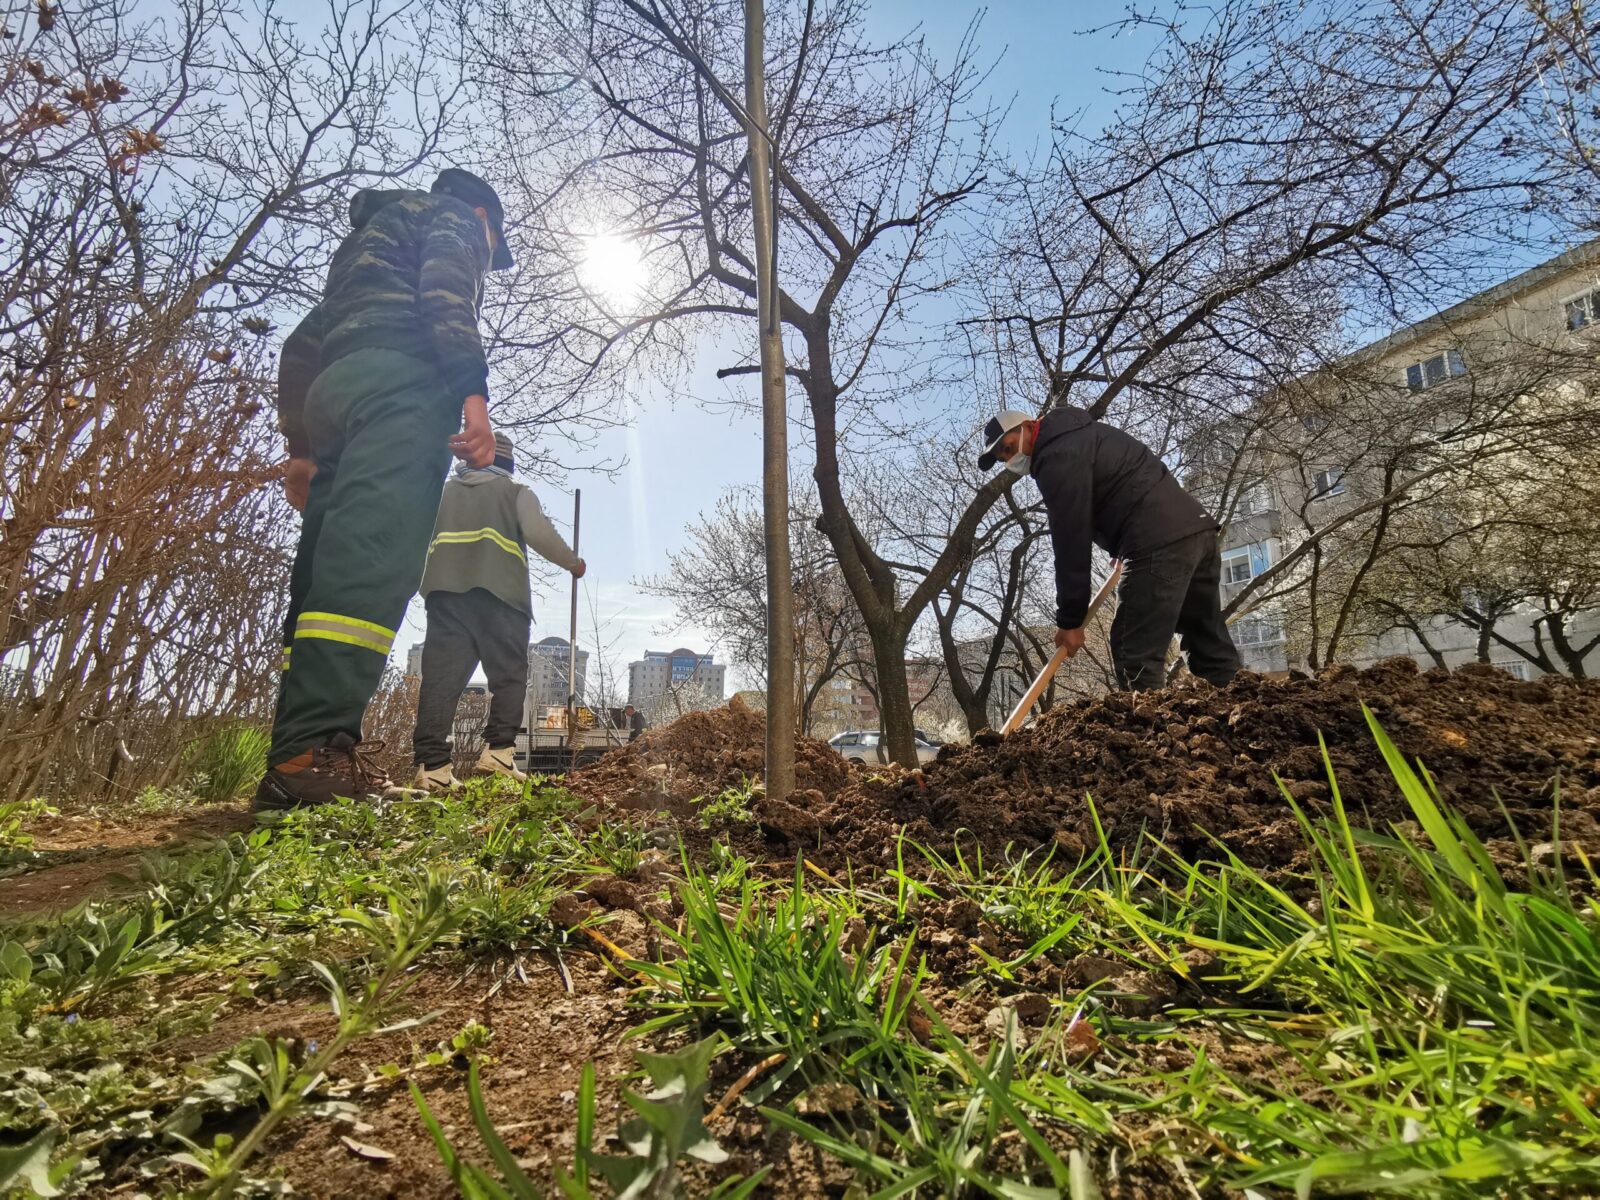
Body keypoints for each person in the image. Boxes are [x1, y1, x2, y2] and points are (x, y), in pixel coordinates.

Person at [254, 169, 514, 812]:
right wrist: (474, 398)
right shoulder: (454, 217)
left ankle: (302, 748)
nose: (487, 257)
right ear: (483, 217)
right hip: (403, 390)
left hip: (333, 396)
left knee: (322, 570)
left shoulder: (368, 244)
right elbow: (447, 292)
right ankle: (309, 759)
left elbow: (301, 342)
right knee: (372, 558)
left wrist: (300, 449)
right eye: (492, 247)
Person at [976, 407, 1239, 691]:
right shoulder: (1084, 435)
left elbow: (1070, 538)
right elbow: (1129, 484)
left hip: (1156, 542)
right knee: (1207, 643)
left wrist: (1070, 620)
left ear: (1028, 426)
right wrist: (1121, 547)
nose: (1010, 459)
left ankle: (1148, 721)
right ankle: (1244, 710)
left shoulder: (1056, 455)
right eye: (1003, 458)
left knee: (1133, 655)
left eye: (1009, 448)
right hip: (1196, 531)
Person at [410, 431, 585, 791]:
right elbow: (538, 531)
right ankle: (499, 752)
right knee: (509, 676)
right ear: (507, 462)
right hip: (501, 595)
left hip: (446, 596)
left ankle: (433, 767)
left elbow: (413, 532)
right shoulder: (514, 491)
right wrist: (573, 563)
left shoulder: (442, 493)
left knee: (441, 682)